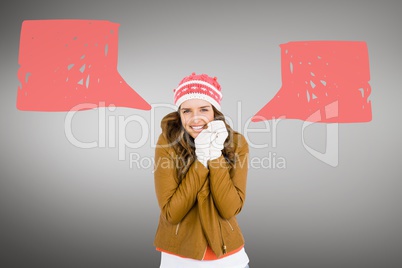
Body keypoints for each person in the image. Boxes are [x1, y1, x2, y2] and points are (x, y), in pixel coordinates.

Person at [153, 73, 250, 268]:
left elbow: (229, 208)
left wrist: (214, 155)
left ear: (214, 112)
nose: (195, 118)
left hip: (230, 259)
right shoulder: (167, 143)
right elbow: (172, 213)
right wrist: (201, 160)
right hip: (179, 260)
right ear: (179, 114)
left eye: (204, 109)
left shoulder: (237, 143)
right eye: (187, 111)